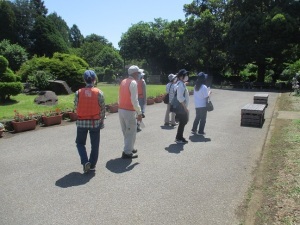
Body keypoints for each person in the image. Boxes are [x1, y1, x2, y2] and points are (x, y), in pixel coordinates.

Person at [74, 70, 105, 173]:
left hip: (81, 122)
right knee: (95, 144)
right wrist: (101, 121)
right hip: (94, 122)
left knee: (80, 143)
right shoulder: (99, 92)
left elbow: (76, 106)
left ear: (84, 80)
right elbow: (102, 108)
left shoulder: (78, 92)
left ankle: (85, 161)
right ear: (94, 80)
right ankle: (92, 165)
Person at [118, 65, 143, 159]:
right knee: (131, 131)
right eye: (138, 73)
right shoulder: (133, 83)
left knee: (126, 131)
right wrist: (139, 112)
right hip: (129, 110)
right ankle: (127, 152)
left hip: (121, 109)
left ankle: (130, 147)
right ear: (135, 73)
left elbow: (119, 96)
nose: (139, 74)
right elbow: (134, 100)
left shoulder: (123, 81)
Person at [174, 69, 190, 144]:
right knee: (183, 121)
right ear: (180, 77)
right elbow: (180, 98)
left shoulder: (180, 83)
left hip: (182, 106)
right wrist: (185, 108)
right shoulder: (180, 85)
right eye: (185, 75)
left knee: (183, 122)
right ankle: (179, 137)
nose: (186, 76)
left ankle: (179, 137)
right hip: (182, 106)